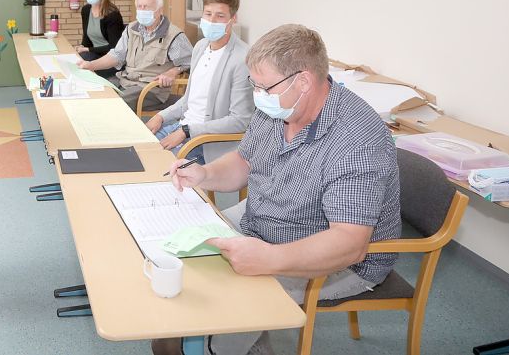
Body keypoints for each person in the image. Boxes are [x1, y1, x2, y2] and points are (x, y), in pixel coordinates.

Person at [156, 24, 400, 355]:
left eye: (264, 86)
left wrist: (270, 258)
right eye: (253, 85)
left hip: (337, 257)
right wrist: (205, 174)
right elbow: (244, 163)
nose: (258, 95)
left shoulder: (357, 139)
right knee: (182, 274)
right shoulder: (281, 105)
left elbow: (349, 244)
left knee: (211, 316)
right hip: (266, 219)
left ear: (303, 81)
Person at [145, 0, 252, 163]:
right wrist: (161, 116)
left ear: (233, 18)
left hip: (205, 141)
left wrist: (187, 131)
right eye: (208, 14)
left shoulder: (242, 59)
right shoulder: (200, 47)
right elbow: (188, 101)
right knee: (139, 150)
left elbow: (240, 120)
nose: (212, 21)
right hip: (181, 128)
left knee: (155, 165)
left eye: (220, 16)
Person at [78, 0, 192, 111]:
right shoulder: (131, 29)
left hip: (151, 88)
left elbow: (191, 63)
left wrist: (172, 73)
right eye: (139, 7)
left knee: (113, 105)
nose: (142, 10)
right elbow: (116, 55)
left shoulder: (173, 35)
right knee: (97, 95)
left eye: (147, 7)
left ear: (159, 11)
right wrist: (90, 65)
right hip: (126, 81)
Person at [74, 0, 125, 78]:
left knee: (84, 68)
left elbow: (114, 47)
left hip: (111, 59)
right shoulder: (86, 10)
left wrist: (88, 50)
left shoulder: (112, 14)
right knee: (78, 61)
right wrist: (82, 47)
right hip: (95, 55)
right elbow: (87, 38)